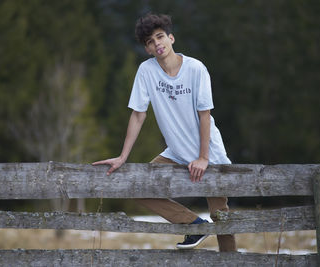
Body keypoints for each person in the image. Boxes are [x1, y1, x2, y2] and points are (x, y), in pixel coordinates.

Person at [92, 13, 236, 251]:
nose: (157, 43)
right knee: (137, 188)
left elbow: (204, 115)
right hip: (176, 152)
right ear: (147, 49)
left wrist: (203, 157)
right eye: (150, 41)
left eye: (160, 37)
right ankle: (194, 225)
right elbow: (138, 114)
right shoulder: (146, 71)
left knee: (221, 217)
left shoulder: (196, 68)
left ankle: (231, 262)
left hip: (209, 151)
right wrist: (122, 157)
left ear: (171, 38)